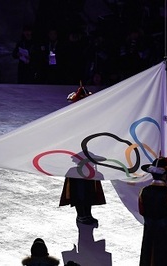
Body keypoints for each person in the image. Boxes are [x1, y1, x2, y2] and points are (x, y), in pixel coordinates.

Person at [59, 85, 106, 225]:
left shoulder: (90, 121)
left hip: (89, 158)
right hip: (77, 160)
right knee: (79, 189)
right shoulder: (71, 121)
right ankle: (81, 214)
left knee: (90, 188)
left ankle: (88, 213)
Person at [138, 156, 167, 266]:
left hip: (149, 230)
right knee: (166, 258)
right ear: (165, 175)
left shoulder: (143, 191)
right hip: (166, 232)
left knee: (149, 255)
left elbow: (142, 210)